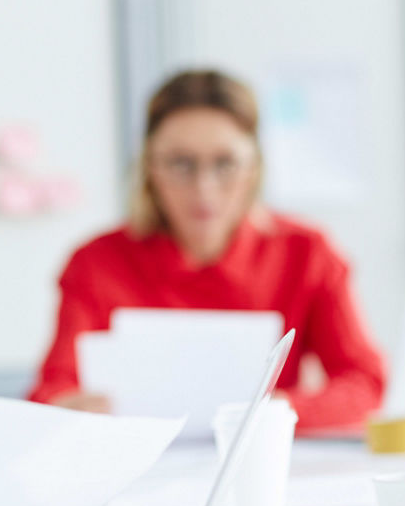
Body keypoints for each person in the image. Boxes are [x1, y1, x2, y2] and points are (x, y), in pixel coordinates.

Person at [28, 69, 386, 432]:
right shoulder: (95, 263)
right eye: (181, 164)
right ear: (150, 167)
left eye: (225, 163)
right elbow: (51, 390)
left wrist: (283, 409)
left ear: (253, 168)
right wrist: (69, 410)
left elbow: (365, 381)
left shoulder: (307, 253)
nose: (204, 188)